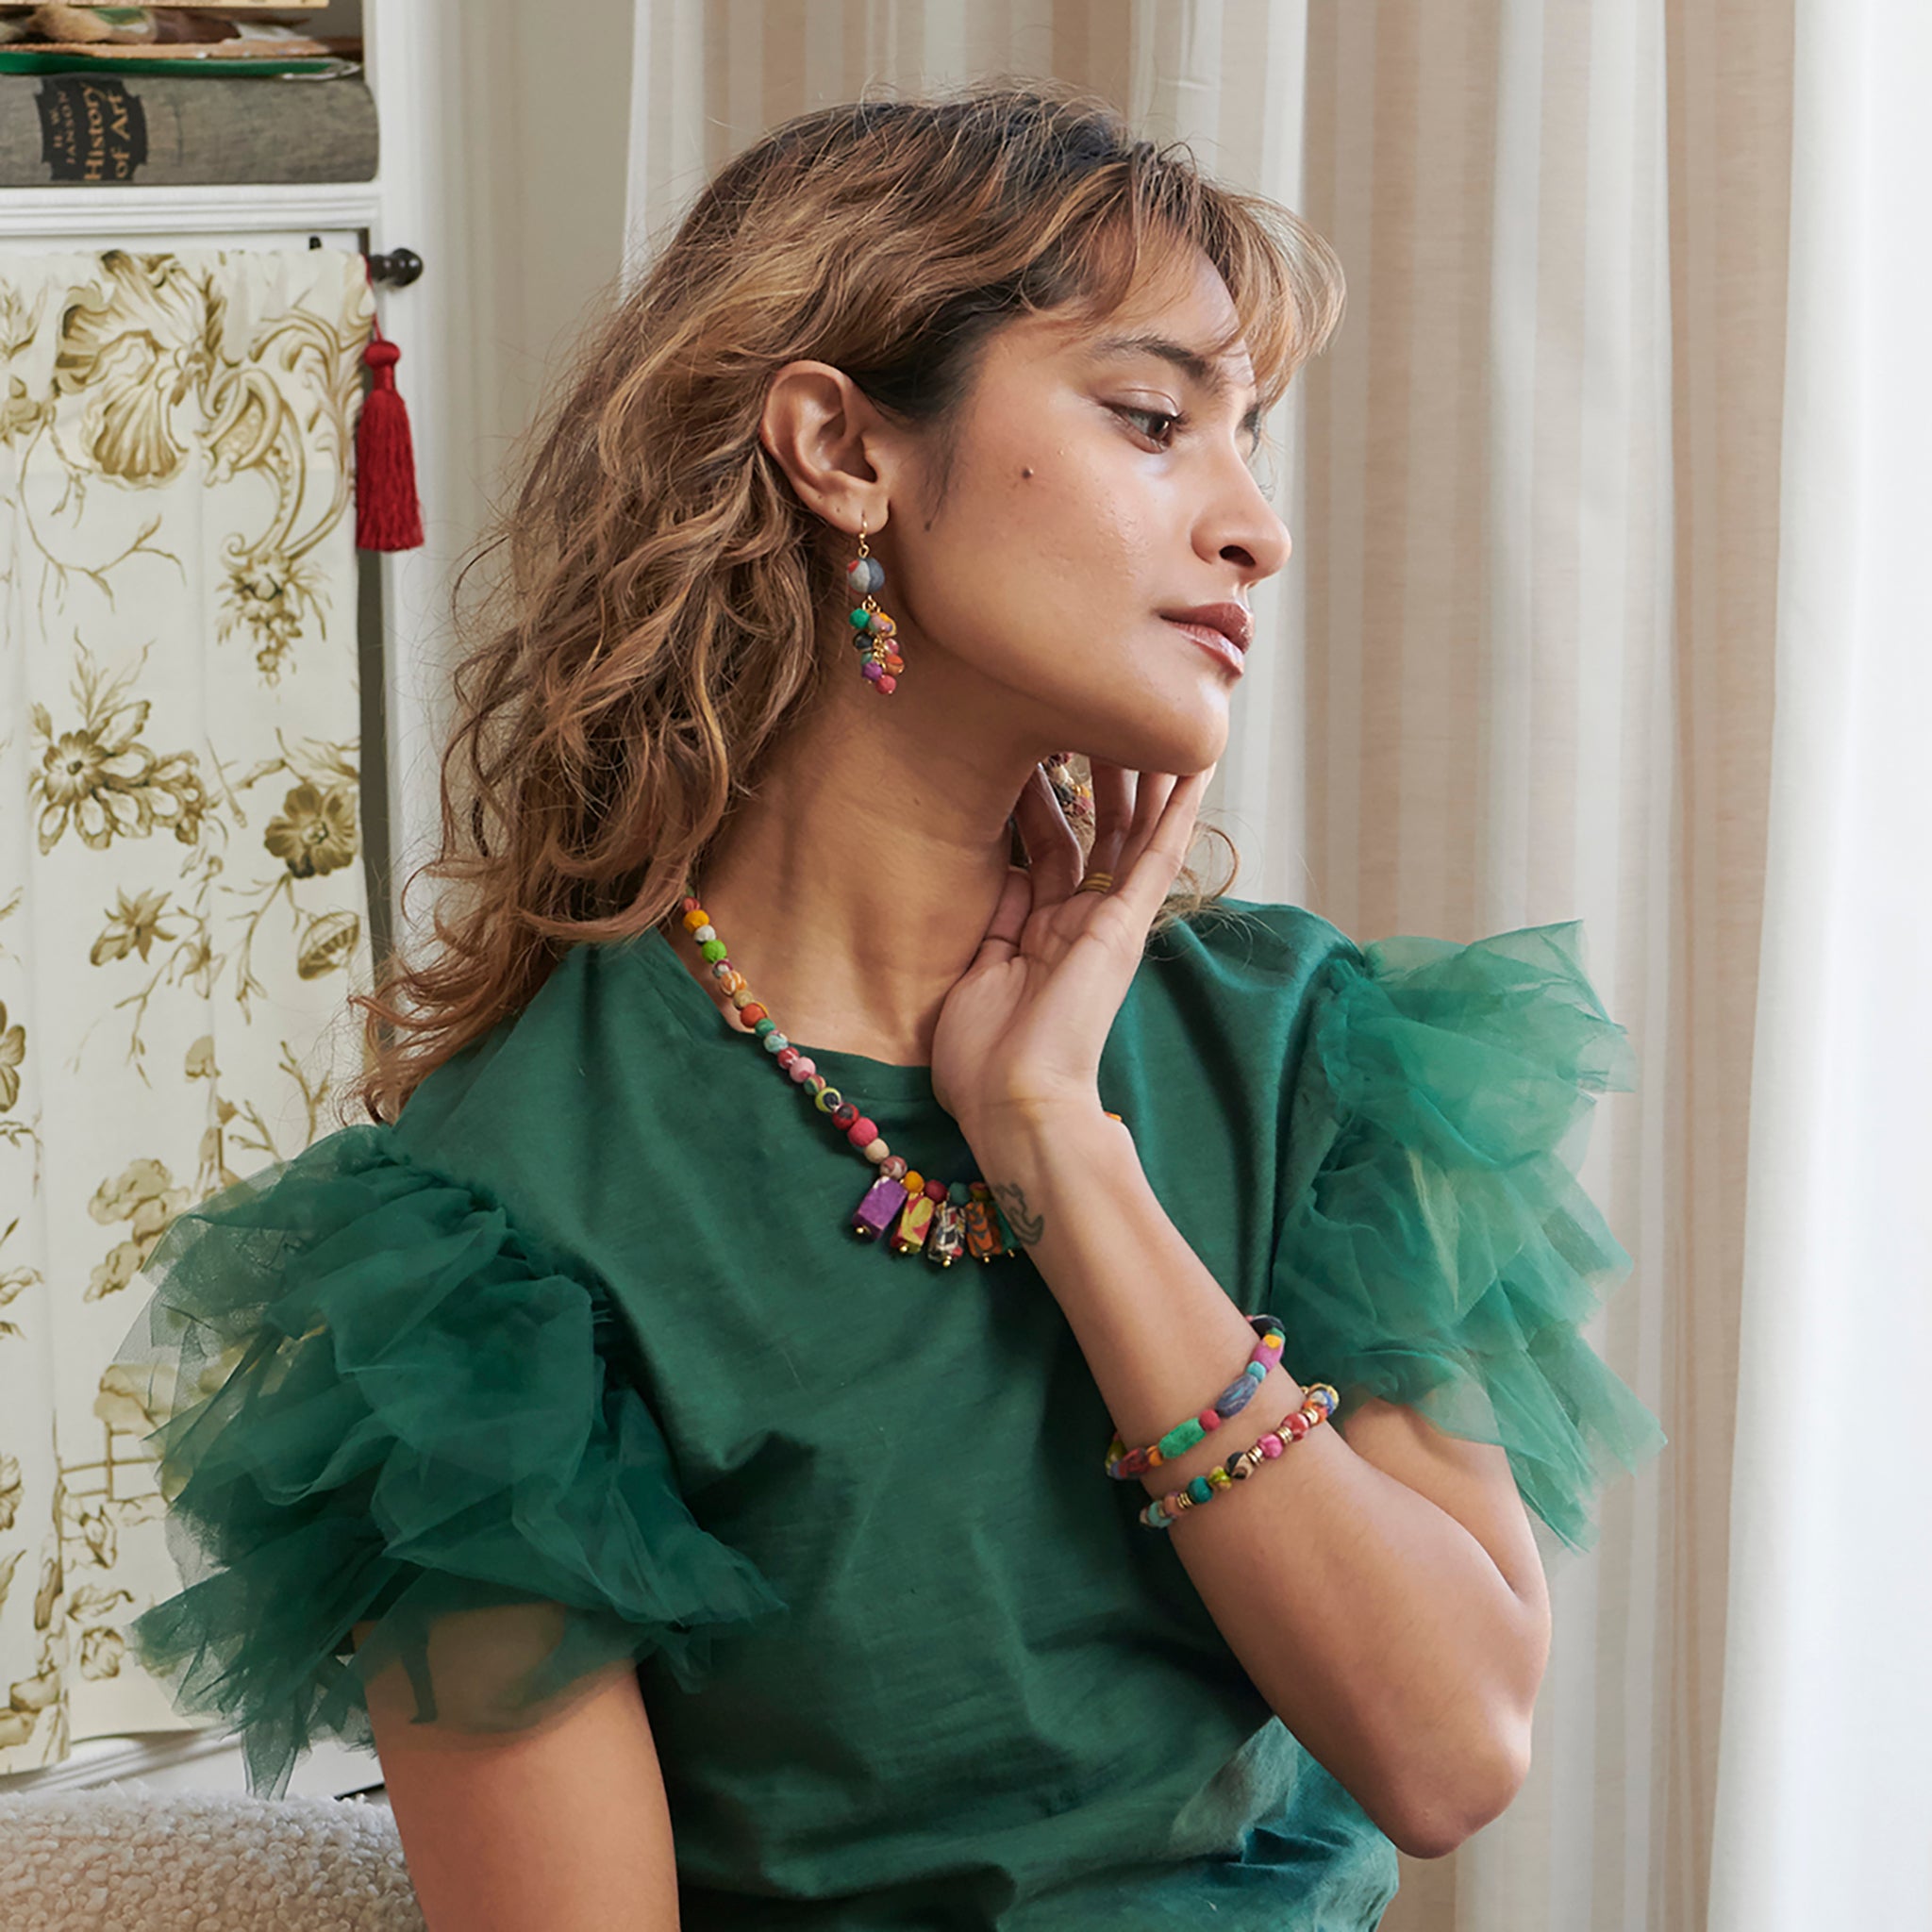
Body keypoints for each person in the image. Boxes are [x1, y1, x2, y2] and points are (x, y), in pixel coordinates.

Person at [110, 80, 1667, 1932]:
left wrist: (1059, 1152)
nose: (1253, 526)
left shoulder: (1302, 1054)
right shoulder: (485, 1248)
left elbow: (1445, 1751)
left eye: (1251, 441)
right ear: (843, 449)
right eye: (1154, 419)